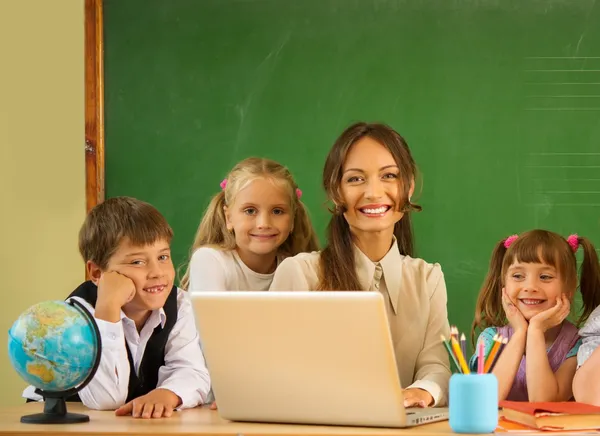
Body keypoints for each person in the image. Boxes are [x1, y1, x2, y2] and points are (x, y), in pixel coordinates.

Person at [270, 122, 451, 408]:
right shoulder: (300, 274)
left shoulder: (427, 279)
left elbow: (437, 367)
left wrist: (421, 392)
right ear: (335, 191)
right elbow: (273, 374)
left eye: (389, 176)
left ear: (409, 187)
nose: (373, 193)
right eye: (355, 179)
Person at [23, 197, 211, 418]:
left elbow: (192, 371)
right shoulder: (74, 318)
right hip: (62, 419)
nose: (157, 272)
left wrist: (166, 394)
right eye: (137, 262)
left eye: (163, 257)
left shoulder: (179, 304)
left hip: (127, 422)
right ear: (97, 273)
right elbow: (107, 399)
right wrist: (108, 307)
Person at [471, 230, 600, 402]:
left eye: (545, 277)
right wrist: (520, 333)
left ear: (569, 288)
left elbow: (543, 403)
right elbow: (485, 400)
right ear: (504, 284)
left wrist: (535, 332)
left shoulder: (577, 345)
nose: (530, 286)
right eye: (517, 276)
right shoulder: (491, 339)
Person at [180, 157, 319, 292]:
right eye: (250, 211)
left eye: (277, 211)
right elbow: (210, 316)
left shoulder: (299, 268)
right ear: (228, 217)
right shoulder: (210, 261)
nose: (264, 224)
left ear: (292, 219)